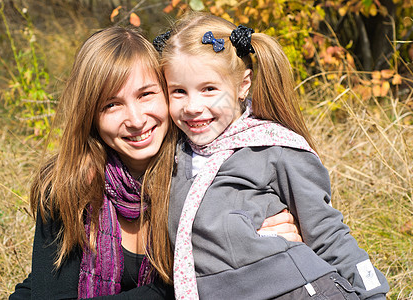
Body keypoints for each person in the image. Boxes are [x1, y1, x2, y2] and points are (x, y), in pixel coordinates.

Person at [9, 25, 301, 299]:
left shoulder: (208, 173)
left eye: (146, 95)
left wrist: (254, 249)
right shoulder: (69, 184)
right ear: (90, 115)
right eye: (111, 105)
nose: (135, 121)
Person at [154, 12, 390, 299]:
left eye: (209, 89)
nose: (192, 106)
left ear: (243, 85)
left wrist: (374, 292)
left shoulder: (273, 147)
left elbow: (327, 233)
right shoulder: (174, 154)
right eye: (178, 91)